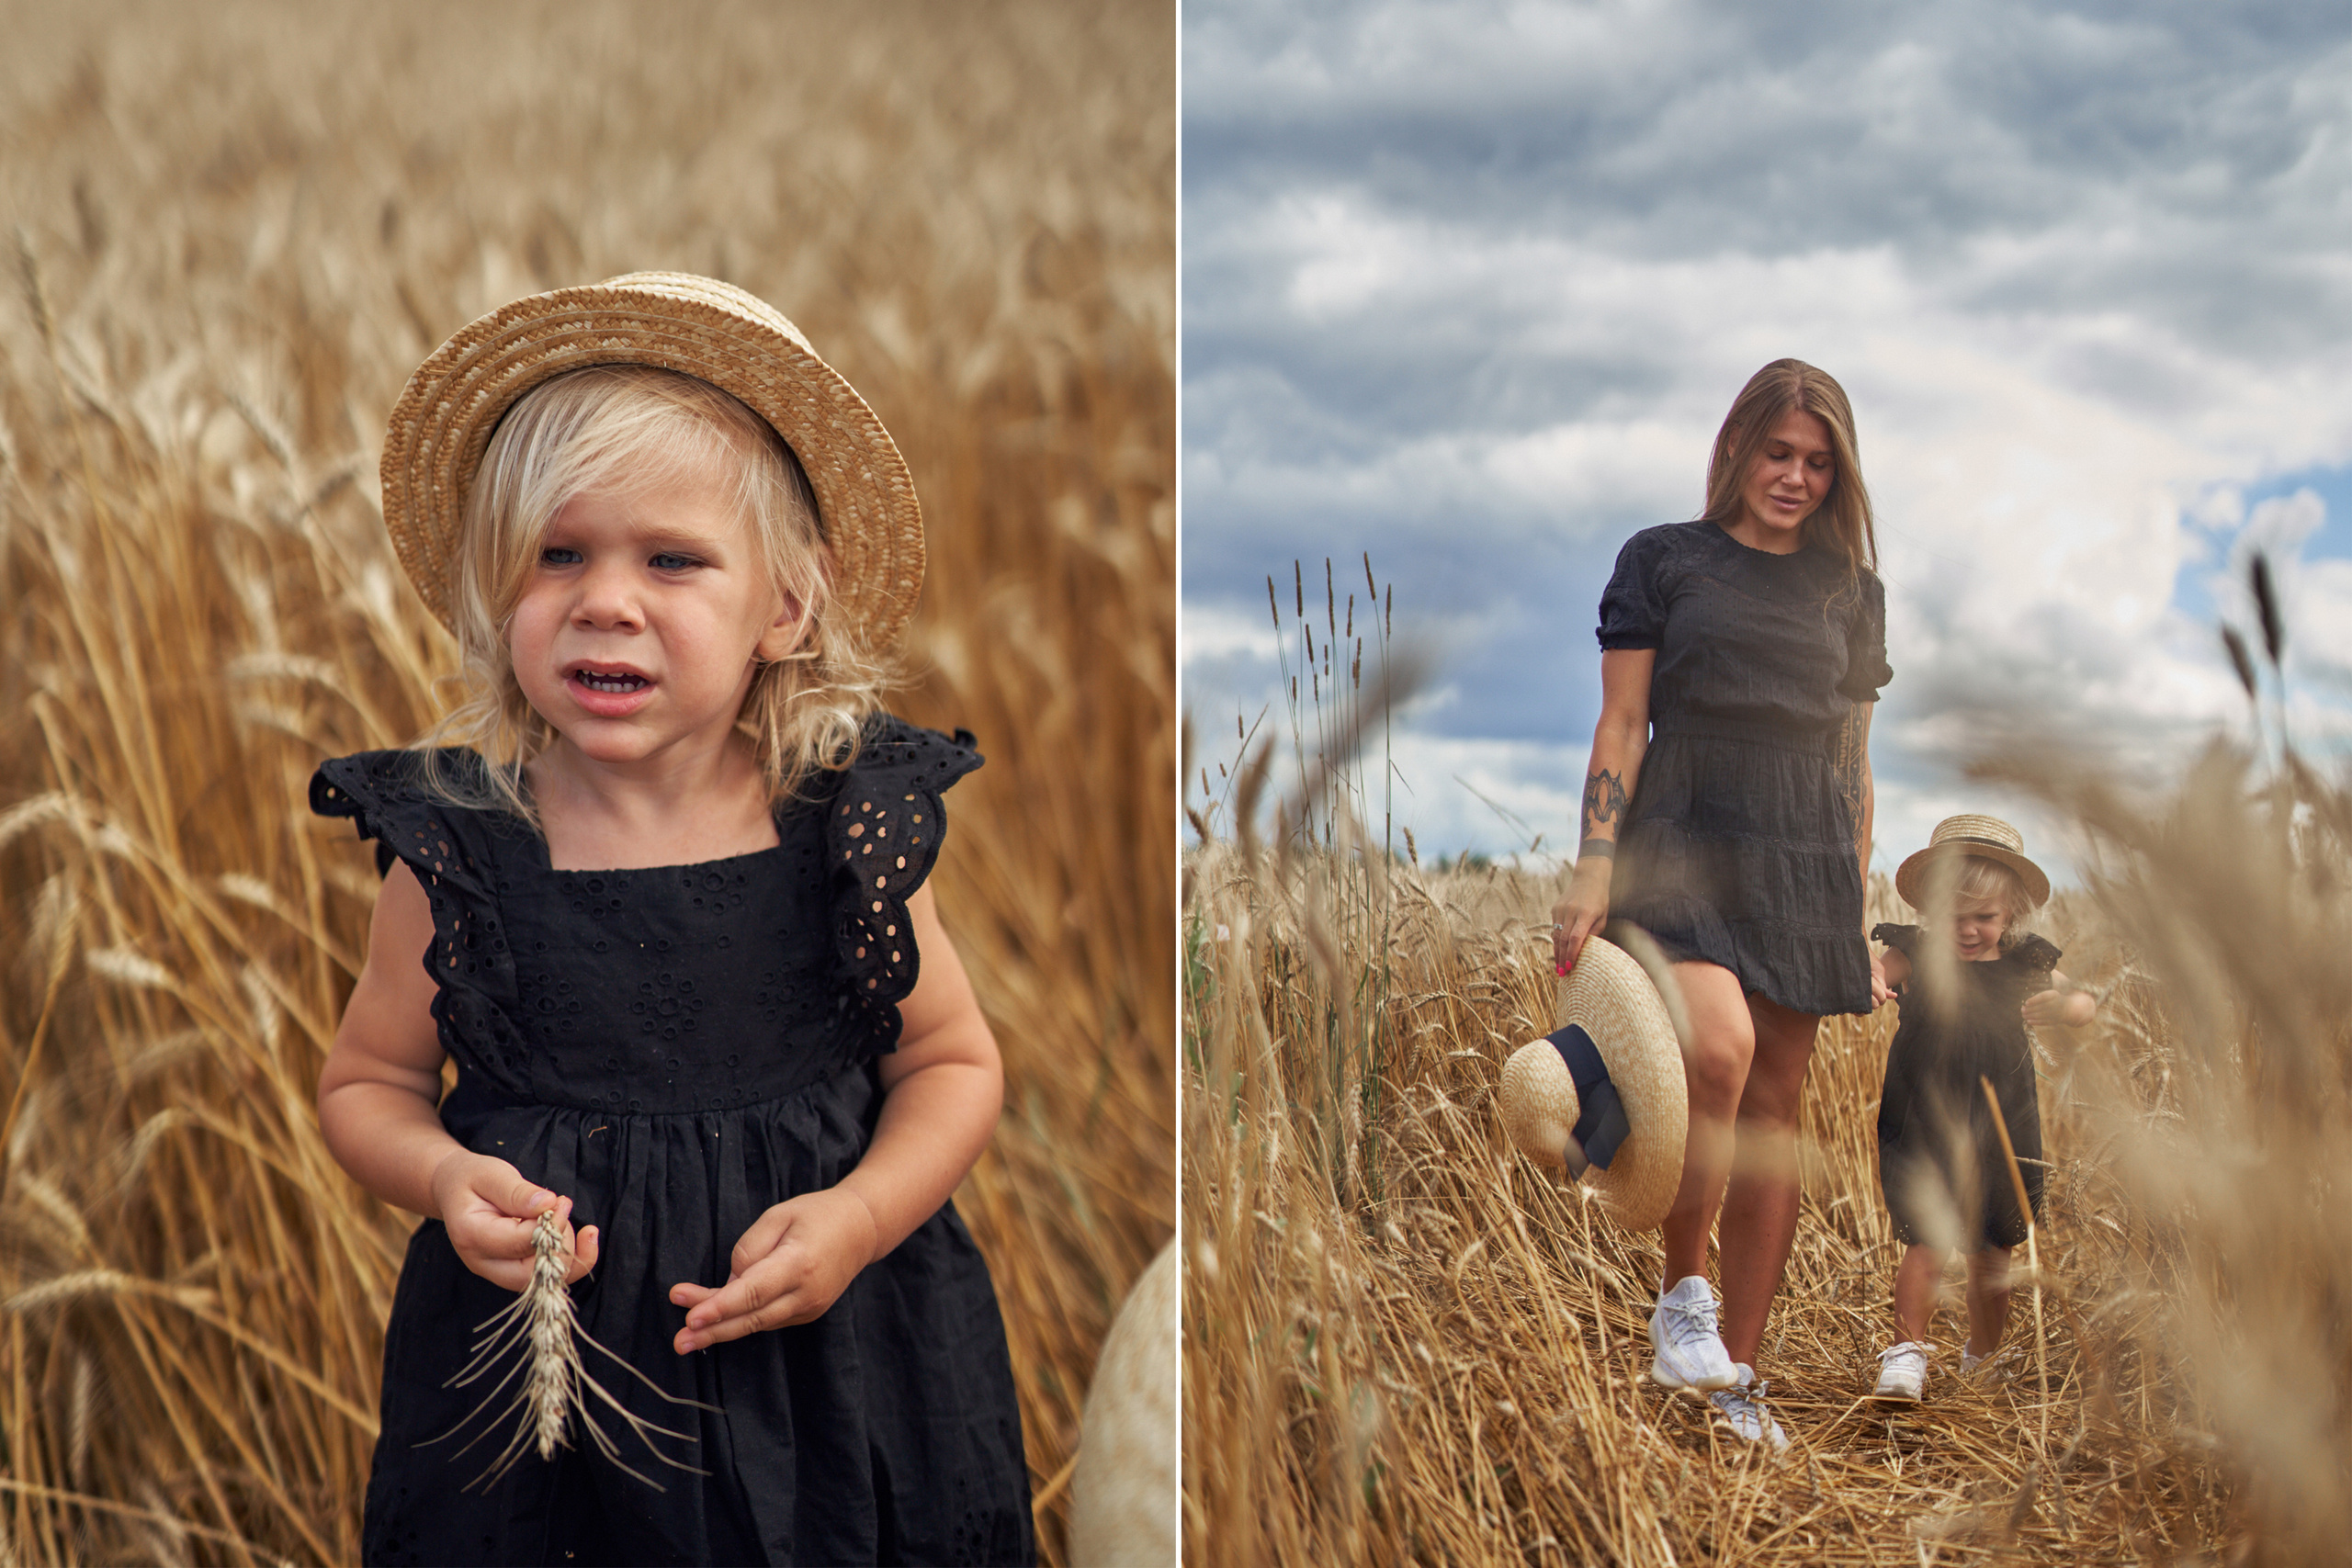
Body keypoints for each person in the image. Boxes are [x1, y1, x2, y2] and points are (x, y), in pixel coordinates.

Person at [312, 275, 1032, 1565]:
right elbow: (368, 1079)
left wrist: (861, 1216)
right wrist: (438, 1174)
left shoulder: (837, 830)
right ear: (497, 586)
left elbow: (953, 1060)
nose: (606, 599)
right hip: (543, 1426)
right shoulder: (459, 847)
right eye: (559, 554)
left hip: (832, 1381)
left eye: (672, 559)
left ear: (786, 608)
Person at [1551, 358, 1892, 1450]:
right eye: (1776, 452)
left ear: (1837, 476)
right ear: (1735, 447)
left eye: (1815, 462)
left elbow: (1855, 754)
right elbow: (1622, 724)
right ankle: (1682, 1299)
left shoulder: (1850, 592)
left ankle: (1737, 1379)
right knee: (1715, 1052)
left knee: (1775, 1123)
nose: (1792, 477)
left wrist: (1852, 890)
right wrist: (1594, 861)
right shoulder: (1663, 560)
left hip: (1805, 856)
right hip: (1684, 834)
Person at [1867, 816, 2096, 1404]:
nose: (1967, 931)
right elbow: (1873, 972)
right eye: (1952, 916)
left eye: (1984, 918)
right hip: (1927, 1114)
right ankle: (1906, 1354)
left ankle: (1984, 1358)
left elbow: (2084, 1001)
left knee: (1995, 1247)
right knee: (1928, 1236)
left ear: (2012, 914)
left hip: (2003, 1121)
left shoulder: (2026, 964)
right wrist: (1870, 977)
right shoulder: (1913, 952)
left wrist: (2067, 1008)